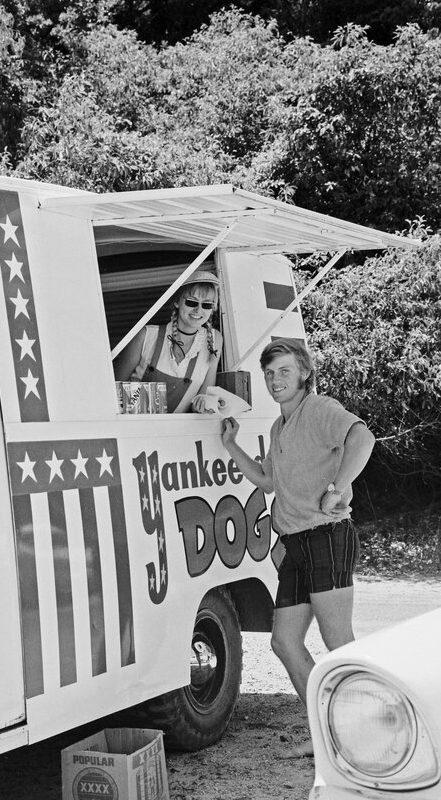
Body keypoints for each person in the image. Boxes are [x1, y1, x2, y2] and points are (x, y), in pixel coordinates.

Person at [219, 337, 375, 758]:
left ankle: (365, 731)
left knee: (337, 638)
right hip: (294, 545)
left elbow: (364, 439)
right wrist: (231, 445)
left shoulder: (320, 409)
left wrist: (337, 488)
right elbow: (269, 481)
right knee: (283, 642)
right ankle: (328, 734)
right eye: (269, 374)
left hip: (327, 536)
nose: (275, 380)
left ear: (304, 373)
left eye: (284, 371)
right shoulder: (278, 427)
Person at [113, 270, 222, 413]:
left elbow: (207, 393)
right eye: (191, 302)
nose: (198, 310)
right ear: (177, 302)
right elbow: (111, 390)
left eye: (207, 305)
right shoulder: (146, 336)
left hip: (176, 432)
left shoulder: (214, 340)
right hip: (134, 428)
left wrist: (201, 404)